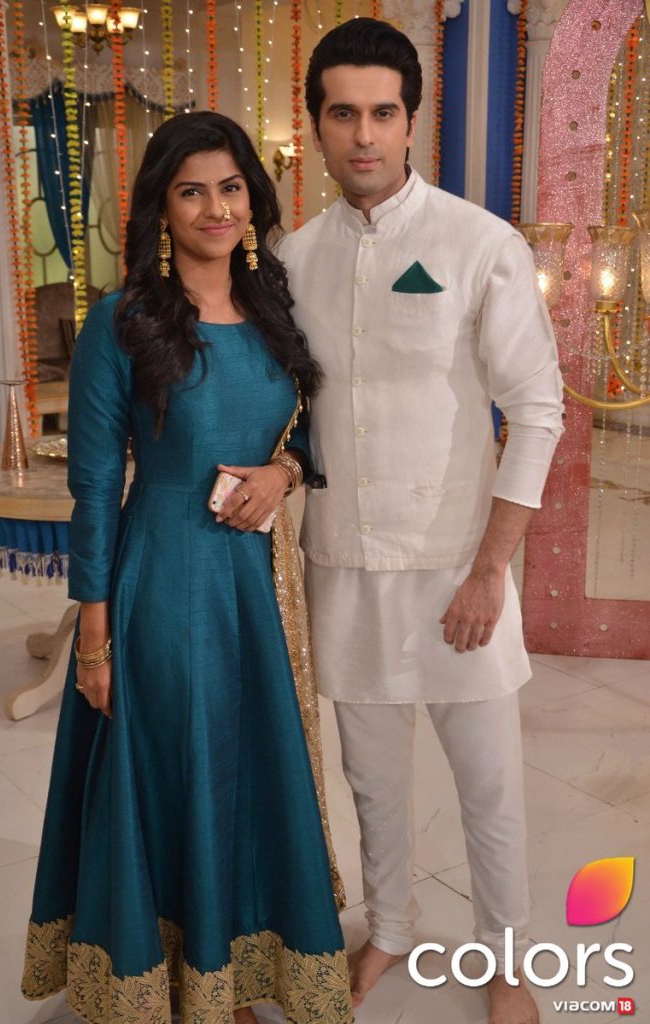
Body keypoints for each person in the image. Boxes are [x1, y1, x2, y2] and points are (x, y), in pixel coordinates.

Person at [21, 111, 353, 1024]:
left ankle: (232, 971)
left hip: (260, 585)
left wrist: (285, 475)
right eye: (192, 191)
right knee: (181, 767)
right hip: (164, 581)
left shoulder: (277, 309)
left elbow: (309, 433)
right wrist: (94, 639)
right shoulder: (123, 322)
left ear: (254, 195)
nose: (217, 209)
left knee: (249, 770)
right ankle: (171, 977)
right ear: (161, 210)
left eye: (231, 188)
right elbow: (95, 487)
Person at [277, 18, 564, 1024]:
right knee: (371, 778)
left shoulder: (479, 243)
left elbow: (536, 409)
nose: (364, 134)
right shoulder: (292, 258)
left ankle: (509, 957)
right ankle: (390, 925)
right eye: (342, 113)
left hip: (456, 570)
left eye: (382, 113)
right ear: (316, 125)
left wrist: (491, 571)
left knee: (489, 784)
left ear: (412, 122)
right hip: (342, 563)